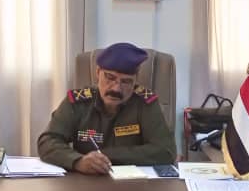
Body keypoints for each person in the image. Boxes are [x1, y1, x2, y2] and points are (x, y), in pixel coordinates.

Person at [37, 42, 177, 173]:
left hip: (133, 182)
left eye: (126, 81)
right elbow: (47, 141)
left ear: (136, 80)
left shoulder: (145, 103)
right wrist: (78, 161)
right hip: (85, 180)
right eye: (110, 78)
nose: (116, 89)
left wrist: (105, 156)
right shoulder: (78, 102)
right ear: (98, 73)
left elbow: (166, 151)